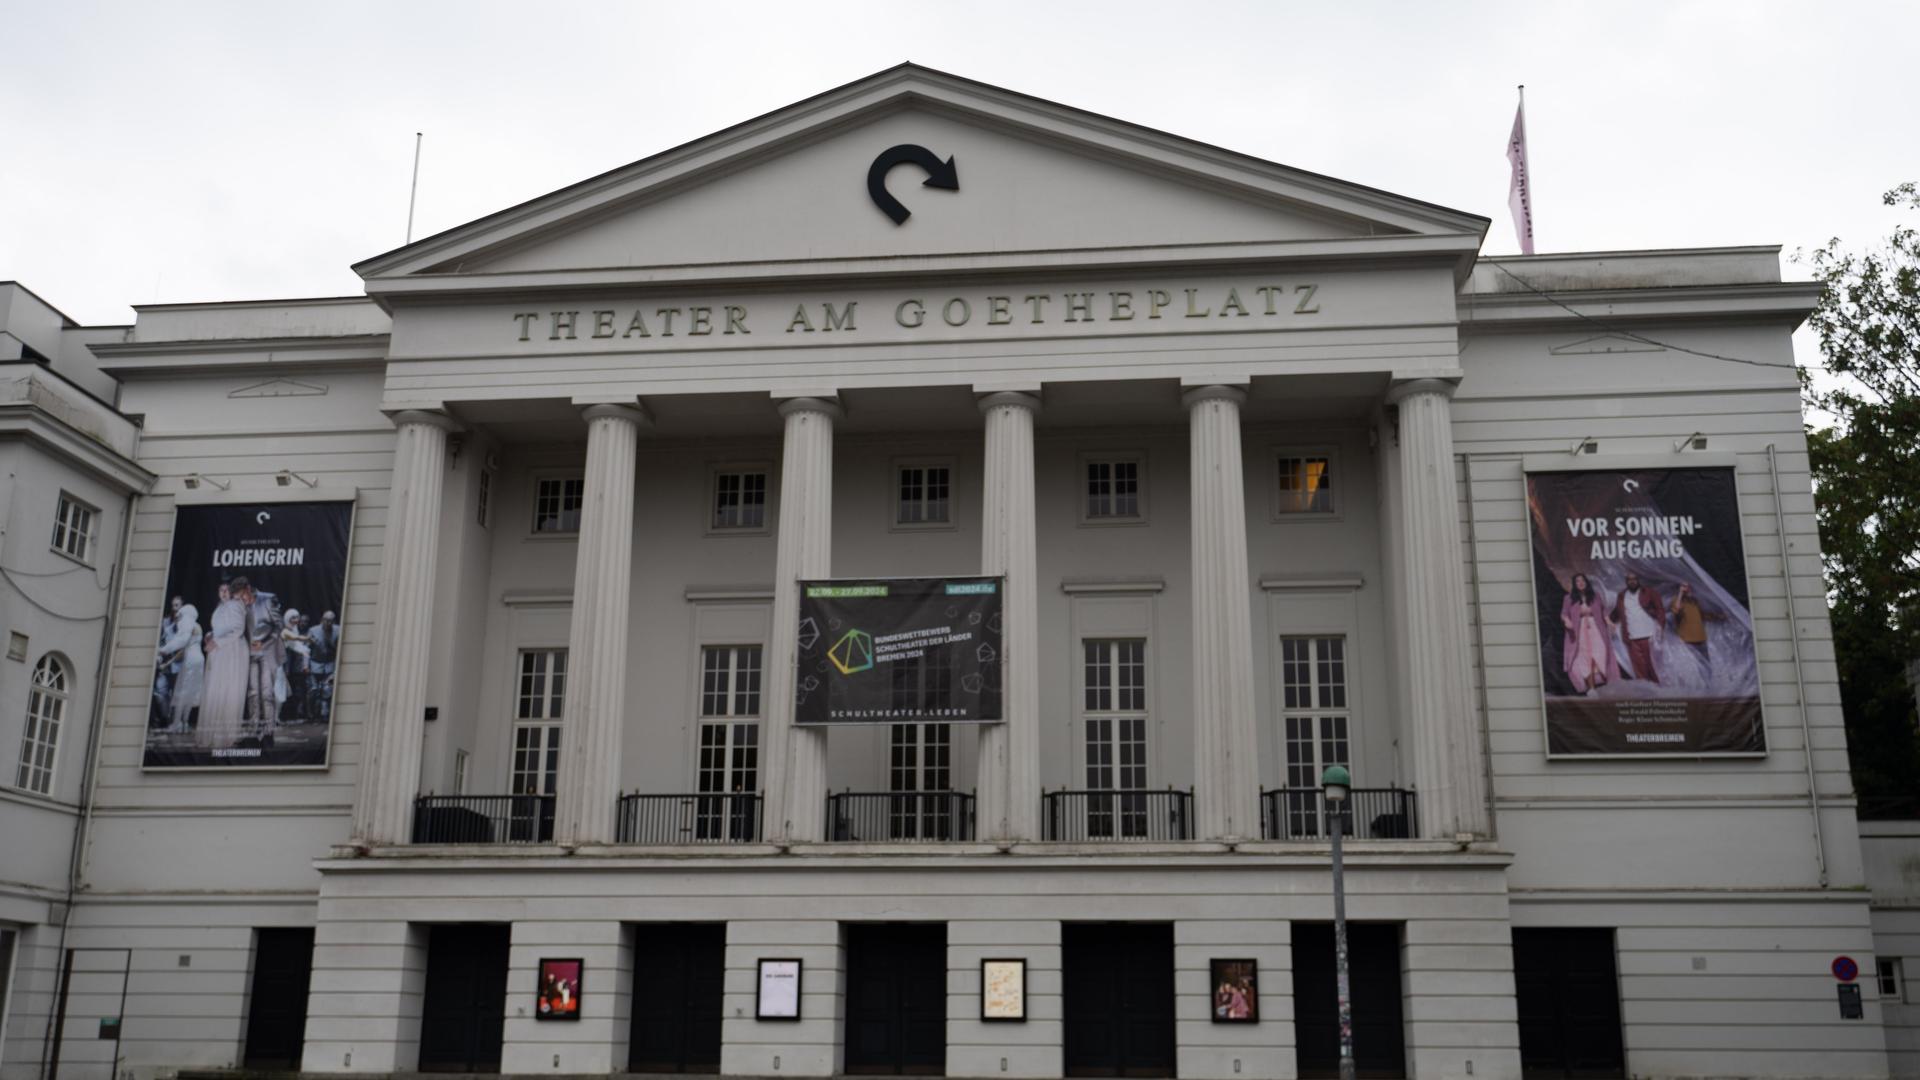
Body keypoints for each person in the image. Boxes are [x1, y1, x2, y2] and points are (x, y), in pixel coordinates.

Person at [197, 584, 248, 750]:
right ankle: (212, 734)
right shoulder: (220, 608)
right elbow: (219, 629)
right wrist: (210, 636)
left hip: (232, 653)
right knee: (216, 689)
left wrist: (217, 642)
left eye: (227, 590)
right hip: (220, 653)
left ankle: (226, 736)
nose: (224, 593)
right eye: (221, 590)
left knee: (228, 689)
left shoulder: (235, 605)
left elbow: (238, 630)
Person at [234, 576, 284, 734]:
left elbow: (279, 626)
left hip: (267, 651)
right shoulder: (241, 605)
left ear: (248, 589)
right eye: (238, 598)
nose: (242, 600)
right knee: (253, 692)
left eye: (242, 596)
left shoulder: (268, 599)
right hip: (250, 654)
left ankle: (269, 728)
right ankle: (254, 726)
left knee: (266, 691)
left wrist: (265, 642)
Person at [1559, 573, 1611, 695]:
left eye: (1583, 580)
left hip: (1596, 630)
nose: (1581, 583)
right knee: (1584, 658)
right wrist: (1567, 621)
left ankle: (1599, 686)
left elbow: (1604, 611)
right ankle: (1591, 689)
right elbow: (1563, 613)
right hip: (1579, 631)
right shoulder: (1569, 598)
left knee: (1598, 656)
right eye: (1577, 581)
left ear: (1586, 582)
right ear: (1574, 584)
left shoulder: (1595, 596)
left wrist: (1609, 622)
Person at [1609, 572, 1664, 684]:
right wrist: (1608, 621)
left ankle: (1659, 689)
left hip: (1649, 635)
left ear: (1638, 580)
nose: (1632, 581)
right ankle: (1647, 690)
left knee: (1653, 665)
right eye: (1629, 579)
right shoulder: (1622, 595)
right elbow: (1615, 613)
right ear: (1626, 581)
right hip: (1631, 637)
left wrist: (1661, 626)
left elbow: (1660, 610)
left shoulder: (1649, 592)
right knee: (1639, 667)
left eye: (1634, 579)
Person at [1668, 582, 1725, 674]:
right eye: (1684, 587)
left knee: (1706, 667)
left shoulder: (1694, 601)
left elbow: (1702, 616)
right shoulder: (1677, 601)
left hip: (1701, 638)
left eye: (1688, 586)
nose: (1687, 588)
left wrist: (1718, 617)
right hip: (1687, 640)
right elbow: (1676, 610)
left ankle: (1709, 687)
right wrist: (1680, 593)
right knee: (1694, 669)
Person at [166, 603, 205, 733]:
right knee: (191, 692)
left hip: (190, 660)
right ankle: (185, 722)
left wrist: (164, 652)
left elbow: (181, 646)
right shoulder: (198, 626)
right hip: (199, 659)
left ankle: (177, 723)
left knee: (182, 691)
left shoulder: (188, 625)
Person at [306, 610, 339, 723]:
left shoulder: (338, 630)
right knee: (313, 691)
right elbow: (306, 649)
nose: (328, 623)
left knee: (327, 690)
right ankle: (311, 714)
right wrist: (305, 665)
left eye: (331, 621)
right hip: (315, 664)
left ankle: (324, 714)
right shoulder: (313, 631)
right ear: (322, 620)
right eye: (326, 620)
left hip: (330, 664)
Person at [281, 609, 310, 721]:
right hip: (284, 667)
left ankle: (295, 714)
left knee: (296, 692)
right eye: (294, 618)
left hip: (296, 669)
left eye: (297, 619)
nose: (297, 621)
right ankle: (281, 716)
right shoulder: (286, 631)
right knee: (282, 691)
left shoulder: (296, 630)